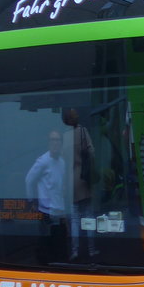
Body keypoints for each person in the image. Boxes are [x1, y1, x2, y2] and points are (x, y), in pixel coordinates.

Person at [26, 130, 68, 263]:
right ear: (48, 143)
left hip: (60, 211)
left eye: (58, 140)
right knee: (45, 243)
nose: (55, 143)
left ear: (61, 143)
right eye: (52, 140)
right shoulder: (43, 161)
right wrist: (31, 201)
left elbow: (61, 187)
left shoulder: (62, 162)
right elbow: (29, 180)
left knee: (60, 244)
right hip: (46, 211)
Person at [62, 108, 97, 259]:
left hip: (71, 179)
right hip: (84, 177)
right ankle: (91, 249)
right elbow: (92, 152)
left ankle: (75, 250)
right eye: (74, 113)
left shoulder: (65, 135)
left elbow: (64, 158)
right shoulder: (83, 131)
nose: (77, 114)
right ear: (71, 119)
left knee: (75, 217)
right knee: (88, 215)